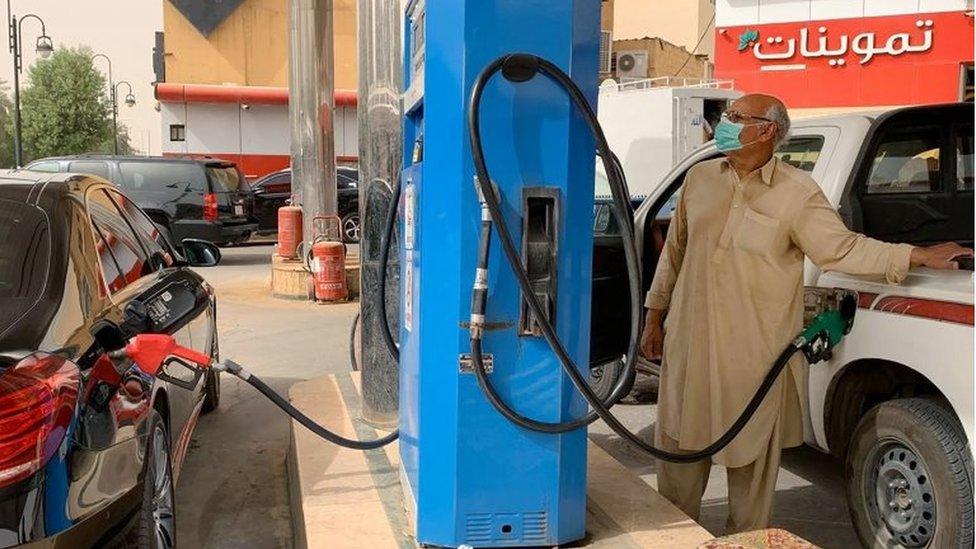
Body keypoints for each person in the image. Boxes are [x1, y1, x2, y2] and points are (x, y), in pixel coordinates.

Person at [639, 93, 972, 534]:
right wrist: (653, 317)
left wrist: (917, 255)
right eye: (727, 116)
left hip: (755, 359)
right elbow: (674, 254)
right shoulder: (701, 179)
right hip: (689, 349)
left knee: (751, 471)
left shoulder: (797, 193)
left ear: (768, 131)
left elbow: (842, 248)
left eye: (737, 117)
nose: (726, 122)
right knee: (679, 461)